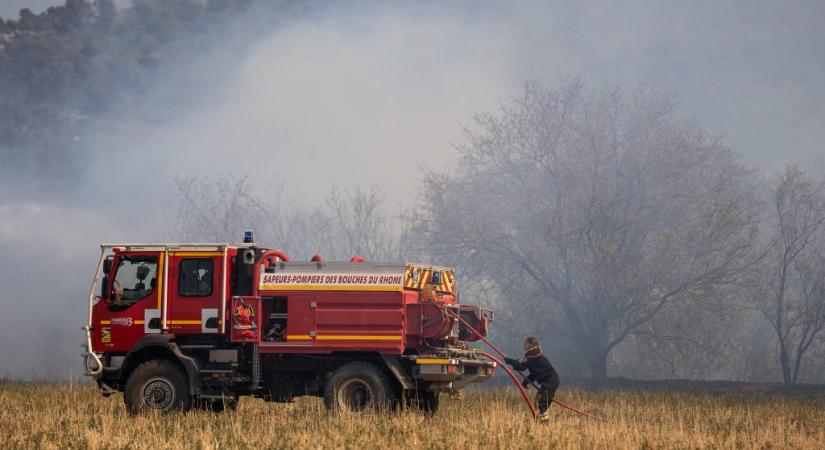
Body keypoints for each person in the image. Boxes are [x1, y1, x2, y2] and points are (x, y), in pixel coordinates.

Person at [504, 337, 559, 422]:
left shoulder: (532, 354)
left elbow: (522, 367)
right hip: (552, 380)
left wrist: (510, 361)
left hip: (550, 381)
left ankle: (544, 424)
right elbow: (535, 372)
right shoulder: (534, 354)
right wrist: (526, 381)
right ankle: (542, 422)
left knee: (541, 403)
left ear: (530, 344)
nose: (524, 344)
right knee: (541, 404)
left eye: (525, 343)